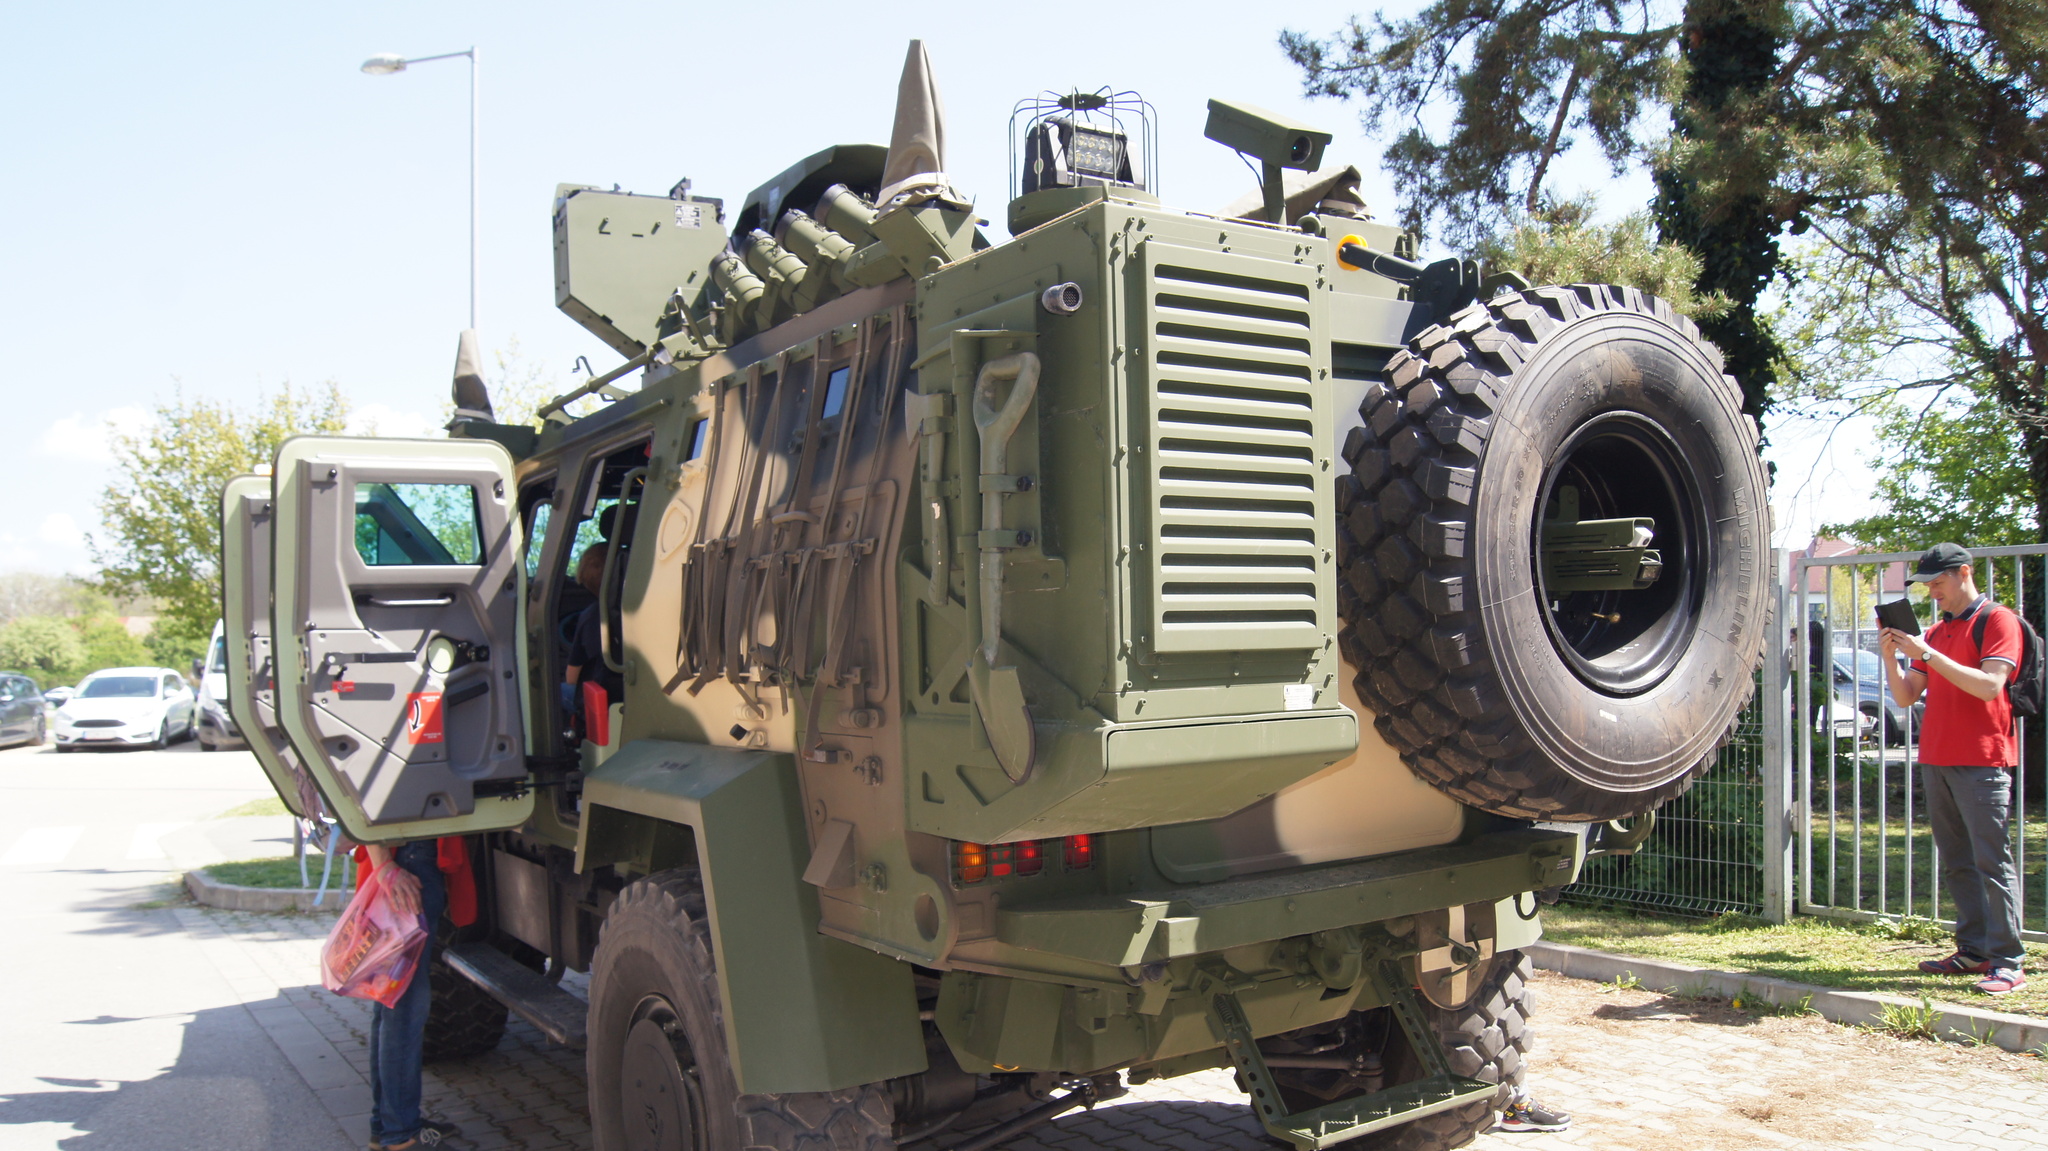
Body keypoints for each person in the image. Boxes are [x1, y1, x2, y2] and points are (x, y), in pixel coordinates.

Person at [1878, 542, 2028, 996]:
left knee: (1992, 861)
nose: (1932, 593)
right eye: (1926, 586)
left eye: (1937, 583)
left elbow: (1989, 686)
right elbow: (1906, 697)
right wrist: (1892, 654)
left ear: (1964, 573)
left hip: (1983, 759)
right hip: (1937, 759)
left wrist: (1929, 653)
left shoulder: (1997, 620)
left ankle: (2008, 961)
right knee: (1958, 862)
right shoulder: (1938, 632)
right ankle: (1974, 949)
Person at [361, 841, 463, 1148]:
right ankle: (401, 1134)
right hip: (411, 861)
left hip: (407, 859)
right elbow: (368, 798)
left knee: (391, 1003)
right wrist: (385, 866)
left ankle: (388, 1125)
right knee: (404, 1007)